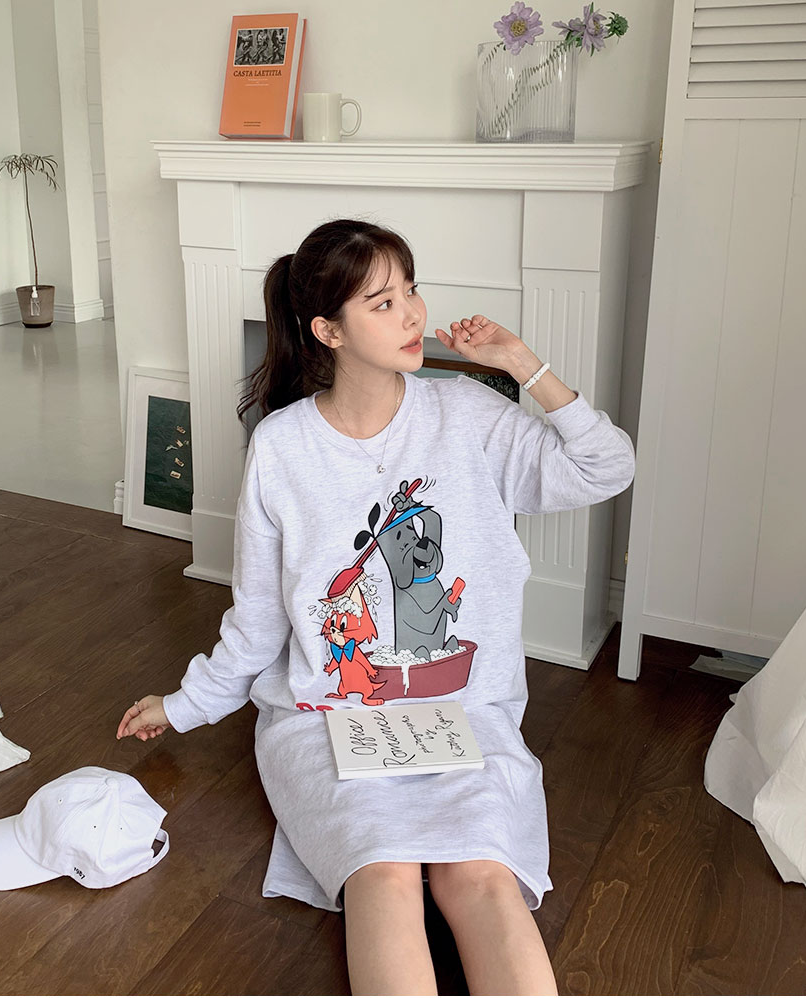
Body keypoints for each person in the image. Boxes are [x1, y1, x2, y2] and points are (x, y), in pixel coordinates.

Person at [117, 218, 636, 995]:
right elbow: (258, 620)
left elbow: (605, 468)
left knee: (480, 875)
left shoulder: (468, 415)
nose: (414, 314)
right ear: (328, 330)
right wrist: (185, 705)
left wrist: (523, 365)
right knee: (383, 873)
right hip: (328, 718)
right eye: (383, 302)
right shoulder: (283, 448)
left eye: (411, 291)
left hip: (462, 712)